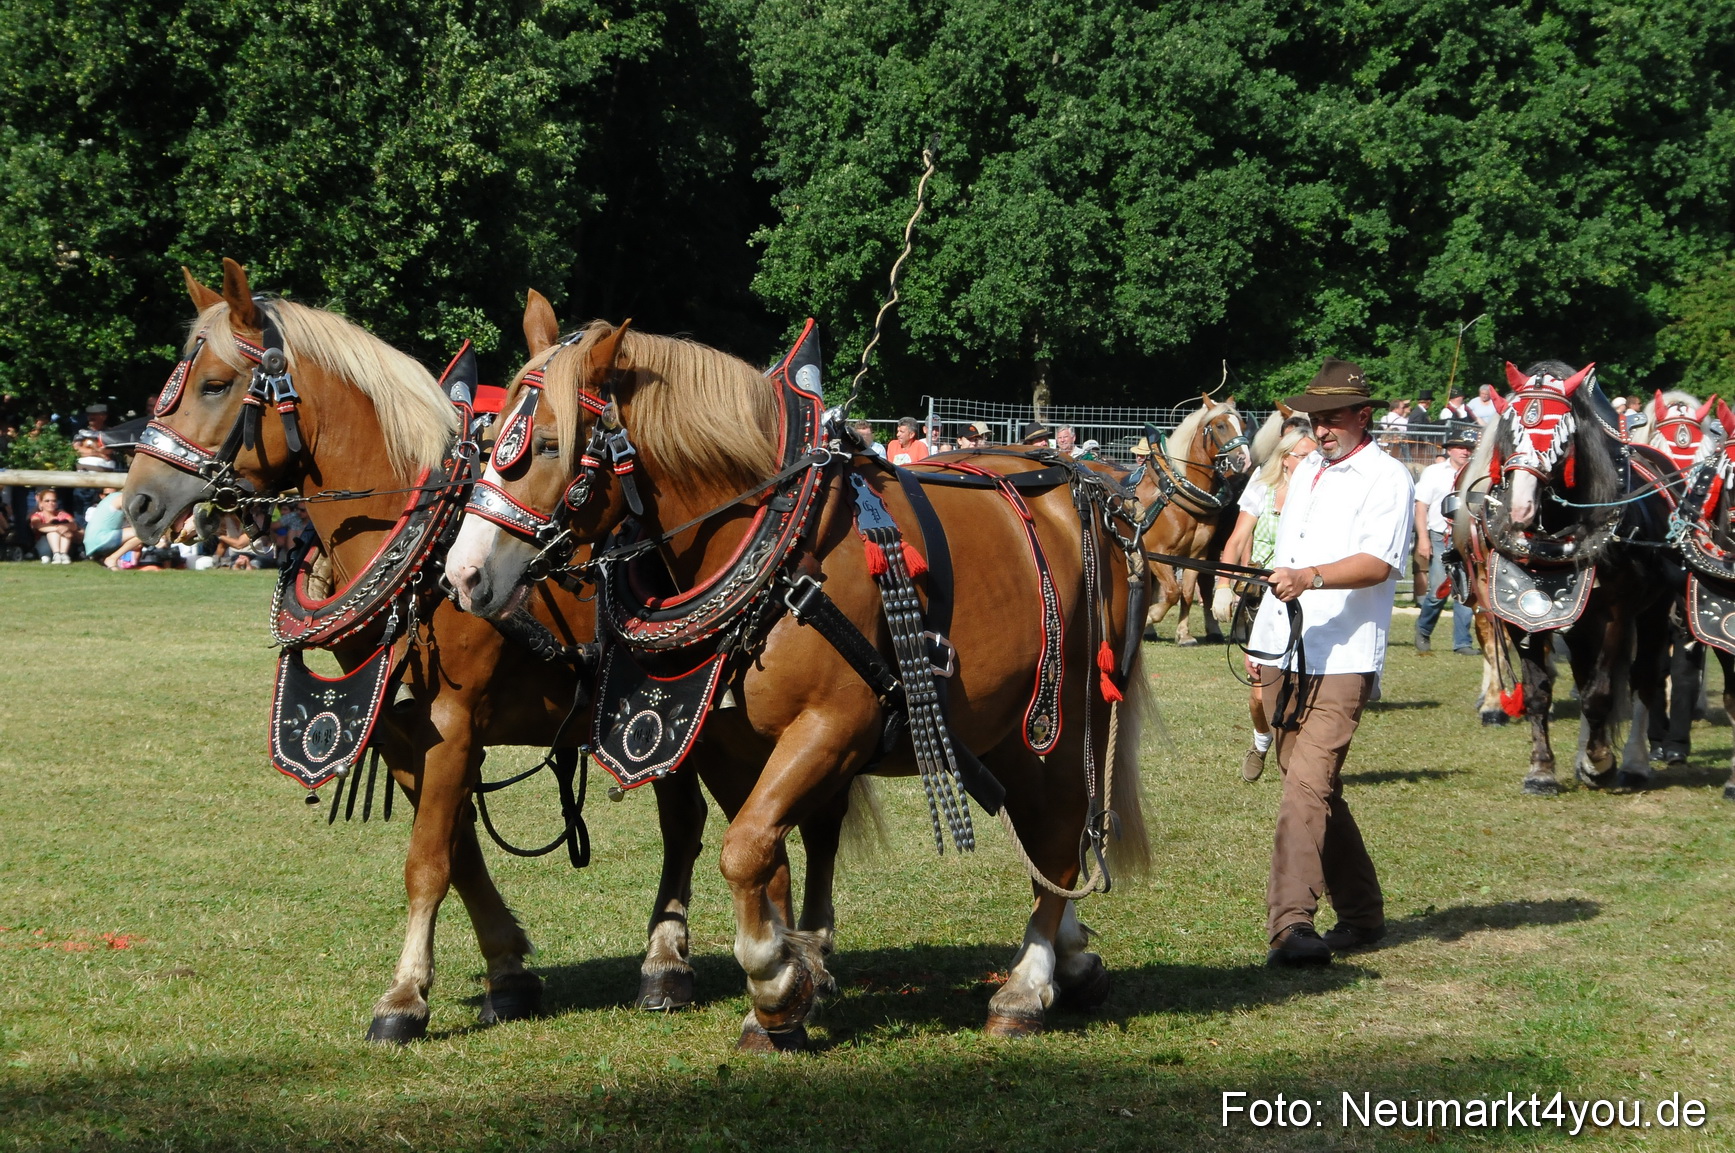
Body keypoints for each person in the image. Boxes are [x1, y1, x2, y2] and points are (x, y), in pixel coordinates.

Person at [1245, 358, 1412, 966]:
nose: (1320, 429)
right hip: (1282, 649)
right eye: (1315, 419)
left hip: (1343, 655)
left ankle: (1291, 923)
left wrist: (1310, 577)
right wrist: (1260, 638)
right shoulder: (1308, 468)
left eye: (1332, 418)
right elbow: (1285, 556)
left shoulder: (1387, 477)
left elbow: (1379, 563)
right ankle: (1362, 914)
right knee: (1313, 786)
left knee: (1306, 786)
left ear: (1364, 415)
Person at [1213, 426, 1318, 782]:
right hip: (1262, 597)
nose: (1311, 462)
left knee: (1303, 682)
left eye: (1314, 456)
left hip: (1306, 594)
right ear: (1285, 458)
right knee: (1260, 692)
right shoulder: (1262, 487)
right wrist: (1223, 585)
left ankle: (1302, 760)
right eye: (1303, 456)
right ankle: (1261, 741)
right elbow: (1236, 539)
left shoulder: (1320, 493)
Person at [1413, 422, 1477, 656]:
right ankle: (1423, 629)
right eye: (1460, 447)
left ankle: (1463, 642)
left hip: (1468, 538)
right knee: (1438, 591)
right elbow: (1421, 506)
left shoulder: (1477, 473)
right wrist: (1423, 539)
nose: (1465, 451)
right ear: (1449, 449)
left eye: (1469, 448)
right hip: (1441, 536)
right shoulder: (1434, 472)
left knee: (1466, 591)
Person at [29, 488, 81, 563]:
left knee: (65, 531)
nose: (51, 503)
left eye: (54, 501)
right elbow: (39, 527)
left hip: (64, 544)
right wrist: (58, 528)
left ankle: (63, 555)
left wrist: (65, 528)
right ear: (41, 503)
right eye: (47, 501)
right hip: (44, 545)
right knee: (53, 532)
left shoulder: (62, 514)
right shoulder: (37, 516)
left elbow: (74, 525)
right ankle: (56, 555)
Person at [82, 487, 130, 565]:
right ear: (101, 495)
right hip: (101, 539)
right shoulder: (119, 499)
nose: (109, 495)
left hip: (93, 541)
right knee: (141, 534)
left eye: (112, 493)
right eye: (107, 494)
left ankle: (109, 559)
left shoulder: (105, 504)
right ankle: (112, 559)